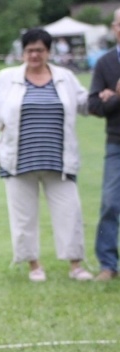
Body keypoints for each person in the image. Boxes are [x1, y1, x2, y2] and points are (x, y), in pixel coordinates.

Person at [0, 27, 93, 282]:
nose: (35, 55)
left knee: (70, 212)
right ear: (23, 52)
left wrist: (107, 95)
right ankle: (34, 265)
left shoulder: (65, 77)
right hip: (18, 160)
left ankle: (75, 264)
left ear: (49, 52)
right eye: (30, 50)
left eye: (40, 50)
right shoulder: (7, 77)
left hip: (59, 159)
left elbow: (86, 104)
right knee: (23, 216)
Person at [88, 8, 120, 282]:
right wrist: (116, 97)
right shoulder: (105, 63)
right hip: (117, 144)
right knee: (110, 203)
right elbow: (95, 105)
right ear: (114, 28)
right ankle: (108, 265)